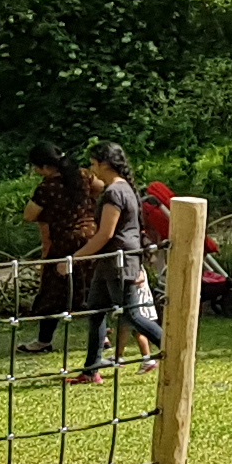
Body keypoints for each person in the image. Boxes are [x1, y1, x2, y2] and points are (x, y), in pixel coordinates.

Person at [76, 144, 168, 382]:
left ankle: (174, 348)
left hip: (119, 262)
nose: (91, 168)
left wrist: (75, 258)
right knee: (96, 312)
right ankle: (90, 371)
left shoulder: (114, 193)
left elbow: (106, 233)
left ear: (104, 164)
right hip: (109, 263)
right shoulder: (124, 189)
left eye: (93, 163)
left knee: (132, 315)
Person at [19, 143, 107, 351]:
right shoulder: (83, 176)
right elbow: (101, 187)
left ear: (45, 167)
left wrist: (52, 214)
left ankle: (43, 340)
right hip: (91, 237)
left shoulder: (47, 188)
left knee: (53, 291)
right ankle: (102, 336)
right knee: (90, 289)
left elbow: (29, 214)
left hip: (65, 241)